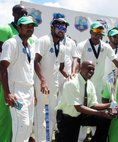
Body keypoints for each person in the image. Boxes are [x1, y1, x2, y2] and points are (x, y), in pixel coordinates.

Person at [0, 16, 38, 142]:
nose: (30, 28)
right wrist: (7, 92)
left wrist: (33, 93)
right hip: (16, 90)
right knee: (21, 126)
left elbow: (29, 71)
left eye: (32, 26)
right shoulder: (11, 43)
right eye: (27, 26)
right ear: (19, 27)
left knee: (28, 127)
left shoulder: (30, 45)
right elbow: (3, 68)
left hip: (29, 90)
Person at [56, 60, 113, 142]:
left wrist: (110, 105)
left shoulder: (90, 84)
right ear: (80, 68)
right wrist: (101, 113)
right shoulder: (72, 83)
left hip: (82, 116)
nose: (91, 71)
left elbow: (93, 105)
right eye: (89, 68)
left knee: (104, 119)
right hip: (68, 118)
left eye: (93, 69)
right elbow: (78, 107)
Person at [34, 18, 69, 142]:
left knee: (52, 116)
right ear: (52, 27)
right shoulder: (43, 40)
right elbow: (36, 61)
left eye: (64, 28)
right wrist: (43, 81)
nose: (62, 30)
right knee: (41, 116)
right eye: (59, 27)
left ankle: (47, 140)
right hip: (41, 85)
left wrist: (68, 76)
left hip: (53, 87)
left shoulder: (63, 47)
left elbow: (61, 67)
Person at [76, 21, 118, 102]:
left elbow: (116, 61)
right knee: (84, 105)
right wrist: (74, 73)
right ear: (91, 32)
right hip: (85, 81)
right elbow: (77, 61)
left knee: (98, 106)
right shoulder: (82, 45)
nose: (98, 35)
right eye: (96, 32)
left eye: (100, 33)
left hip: (100, 83)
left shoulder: (106, 46)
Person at [0, 4, 28, 142]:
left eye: (25, 13)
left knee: (17, 118)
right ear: (13, 14)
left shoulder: (26, 35)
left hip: (20, 85)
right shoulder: (5, 30)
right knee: (4, 116)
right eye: (20, 13)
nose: (23, 16)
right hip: (4, 82)